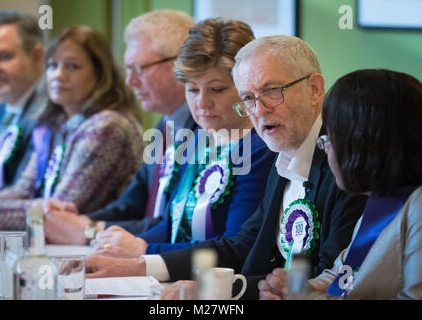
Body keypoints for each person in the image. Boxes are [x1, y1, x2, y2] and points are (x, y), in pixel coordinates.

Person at [85, 35, 367, 300]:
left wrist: (217, 290)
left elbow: (331, 279)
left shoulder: (345, 164)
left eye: (271, 91)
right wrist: (142, 266)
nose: (259, 110)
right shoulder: (283, 152)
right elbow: (246, 244)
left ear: (315, 89)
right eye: (248, 98)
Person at [88, 18, 275, 257]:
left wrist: (143, 250)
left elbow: (236, 246)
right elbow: (173, 225)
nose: (202, 104)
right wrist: (123, 245)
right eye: (192, 90)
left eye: (217, 89)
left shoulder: (260, 148)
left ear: (245, 87)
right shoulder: (196, 139)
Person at [258, 69, 422, 300]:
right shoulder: (378, 200)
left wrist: (305, 298)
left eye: (331, 137)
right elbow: (341, 276)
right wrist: (293, 288)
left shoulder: (417, 207)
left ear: (364, 142)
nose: (325, 147)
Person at [42, 10, 198, 245]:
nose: (130, 81)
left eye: (140, 68)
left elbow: (176, 224)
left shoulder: (210, 132)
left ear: (179, 63)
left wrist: (91, 229)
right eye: (128, 69)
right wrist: (75, 220)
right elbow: (130, 204)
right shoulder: (164, 126)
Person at [0, 26, 143, 229]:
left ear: (100, 72)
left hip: (97, 248)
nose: (58, 75)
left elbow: (60, 211)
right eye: (52, 65)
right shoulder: (55, 125)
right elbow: (21, 191)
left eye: (72, 66)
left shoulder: (108, 126)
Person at [0, 11, 47, 192]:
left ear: (37, 55)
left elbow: (24, 193)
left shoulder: (51, 112)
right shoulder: (1, 113)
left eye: (3, 56)